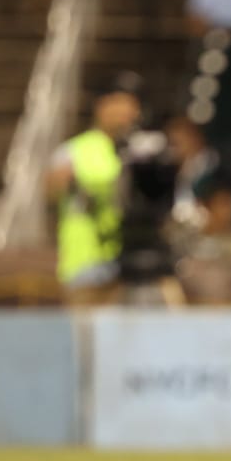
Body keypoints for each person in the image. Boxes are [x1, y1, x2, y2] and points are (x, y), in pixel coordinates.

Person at [46, 74, 143, 303]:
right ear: (101, 105)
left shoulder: (142, 152)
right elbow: (51, 190)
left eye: (130, 105)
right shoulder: (75, 150)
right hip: (84, 262)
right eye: (118, 102)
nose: (125, 112)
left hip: (132, 260)